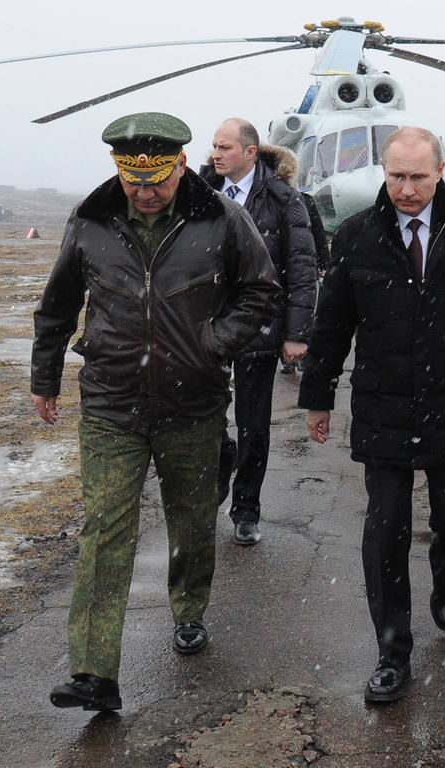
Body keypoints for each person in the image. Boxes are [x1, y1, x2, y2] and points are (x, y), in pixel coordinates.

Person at [33, 112, 280, 712]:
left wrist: (215, 344)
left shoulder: (222, 219)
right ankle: (94, 672)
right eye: (133, 181)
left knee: (191, 520)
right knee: (105, 529)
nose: (144, 193)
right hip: (111, 402)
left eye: (157, 181)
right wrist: (45, 378)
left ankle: (189, 608)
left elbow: (261, 290)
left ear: (181, 166)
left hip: (192, 403)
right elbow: (59, 302)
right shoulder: (92, 220)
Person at [299, 127, 445, 704]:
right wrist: (318, 396)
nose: (405, 188)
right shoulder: (357, 236)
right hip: (386, 408)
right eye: (396, 176)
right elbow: (332, 325)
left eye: (417, 177)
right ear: (384, 170)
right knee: (385, 530)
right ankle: (392, 651)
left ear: (441, 169)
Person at [202, 118, 318, 545]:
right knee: (207, 415)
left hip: (260, 325)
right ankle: (219, 462)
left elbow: (303, 270)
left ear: (251, 152)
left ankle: (246, 509)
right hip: (207, 328)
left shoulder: (285, 200)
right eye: (214, 146)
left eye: (226, 147)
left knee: (255, 423)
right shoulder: (201, 196)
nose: (216, 154)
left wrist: (297, 332)